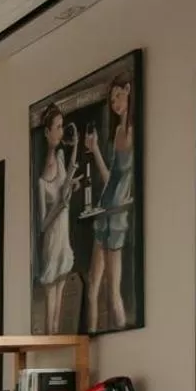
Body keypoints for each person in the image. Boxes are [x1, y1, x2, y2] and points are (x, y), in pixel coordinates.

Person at [84, 72, 135, 332]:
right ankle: (89, 341)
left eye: (118, 95)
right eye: (112, 98)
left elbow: (130, 181)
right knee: (93, 284)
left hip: (118, 215)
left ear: (128, 91)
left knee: (113, 291)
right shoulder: (116, 131)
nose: (115, 103)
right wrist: (94, 150)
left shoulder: (134, 132)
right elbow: (110, 178)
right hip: (105, 209)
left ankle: (128, 339)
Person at [34, 104, 81, 334]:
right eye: (58, 127)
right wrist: (61, 202)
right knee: (51, 301)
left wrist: (70, 186)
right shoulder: (42, 180)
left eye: (62, 127)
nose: (61, 132)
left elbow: (66, 183)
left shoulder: (62, 157)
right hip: (52, 240)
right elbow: (42, 224)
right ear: (47, 132)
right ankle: (47, 348)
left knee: (60, 302)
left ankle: (54, 346)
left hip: (63, 237)